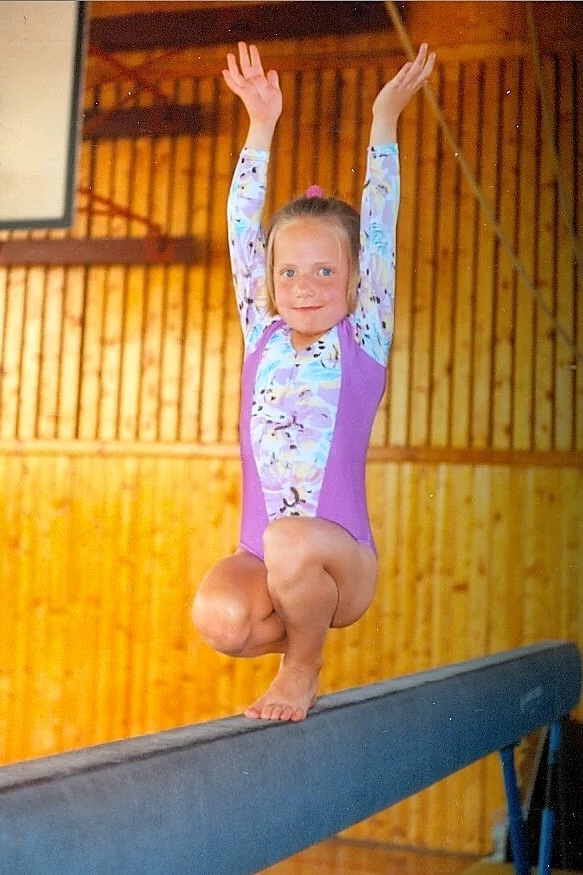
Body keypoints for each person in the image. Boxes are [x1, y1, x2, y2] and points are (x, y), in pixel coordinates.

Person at [192, 41, 436, 722]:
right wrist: (260, 125)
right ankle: (295, 626)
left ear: (356, 280)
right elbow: (242, 226)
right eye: (290, 272)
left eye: (326, 271)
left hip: (340, 560)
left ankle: (302, 669)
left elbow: (379, 223)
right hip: (265, 557)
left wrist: (384, 119)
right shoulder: (261, 334)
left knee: (290, 540)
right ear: (269, 282)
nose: (305, 286)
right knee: (219, 616)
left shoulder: (362, 338)